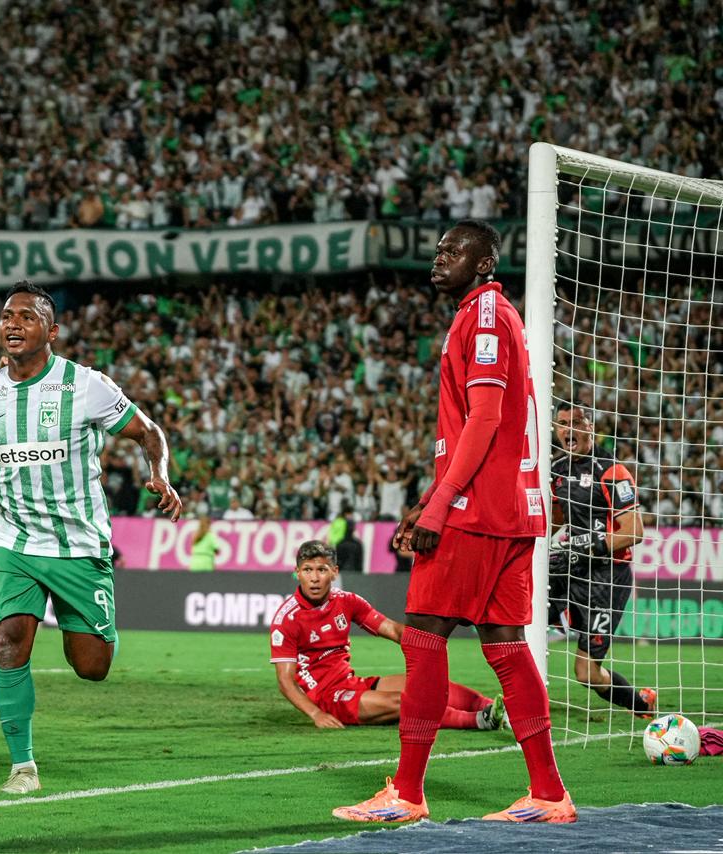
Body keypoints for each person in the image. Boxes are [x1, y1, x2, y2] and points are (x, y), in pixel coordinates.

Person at [0, 281, 182, 794]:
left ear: (52, 330)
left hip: (79, 545)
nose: (13, 323)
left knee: (91, 666)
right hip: (14, 544)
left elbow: (148, 431)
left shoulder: (85, 386)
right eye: (6, 315)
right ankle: (22, 766)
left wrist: (160, 473)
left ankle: (92, 628)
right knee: (7, 643)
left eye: (27, 315)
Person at [335, 221, 573, 823]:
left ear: (486, 260)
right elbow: (474, 428)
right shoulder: (483, 313)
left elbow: (487, 417)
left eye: (453, 250)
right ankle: (548, 792)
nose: (439, 258)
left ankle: (407, 794)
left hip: (478, 511)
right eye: (438, 248)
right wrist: (430, 495)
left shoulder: (486, 314)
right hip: (505, 510)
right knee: (506, 647)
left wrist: (441, 507)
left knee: (422, 636)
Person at [271, 541, 504, 730]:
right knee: (405, 703)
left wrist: (427, 641)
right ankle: (479, 720)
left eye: (321, 570)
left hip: (353, 684)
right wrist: (316, 713)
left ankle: (497, 708)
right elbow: (285, 680)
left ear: (334, 573)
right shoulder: (287, 619)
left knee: (429, 684)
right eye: (307, 570)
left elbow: (392, 630)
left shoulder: (347, 601)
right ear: (297, 573)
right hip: (328, 698)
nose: (314, 578)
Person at [549, 402, 654, 715]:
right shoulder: (557, 470)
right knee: (521, 621)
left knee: (586, 674)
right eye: (563, 423)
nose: (569, 429)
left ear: (590, 427)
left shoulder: (611, 470)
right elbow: (556, 521)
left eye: (577, 423)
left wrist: (587, 544)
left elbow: (634, 531)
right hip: (573, 572)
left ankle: (641, 703)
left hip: (608, 578)